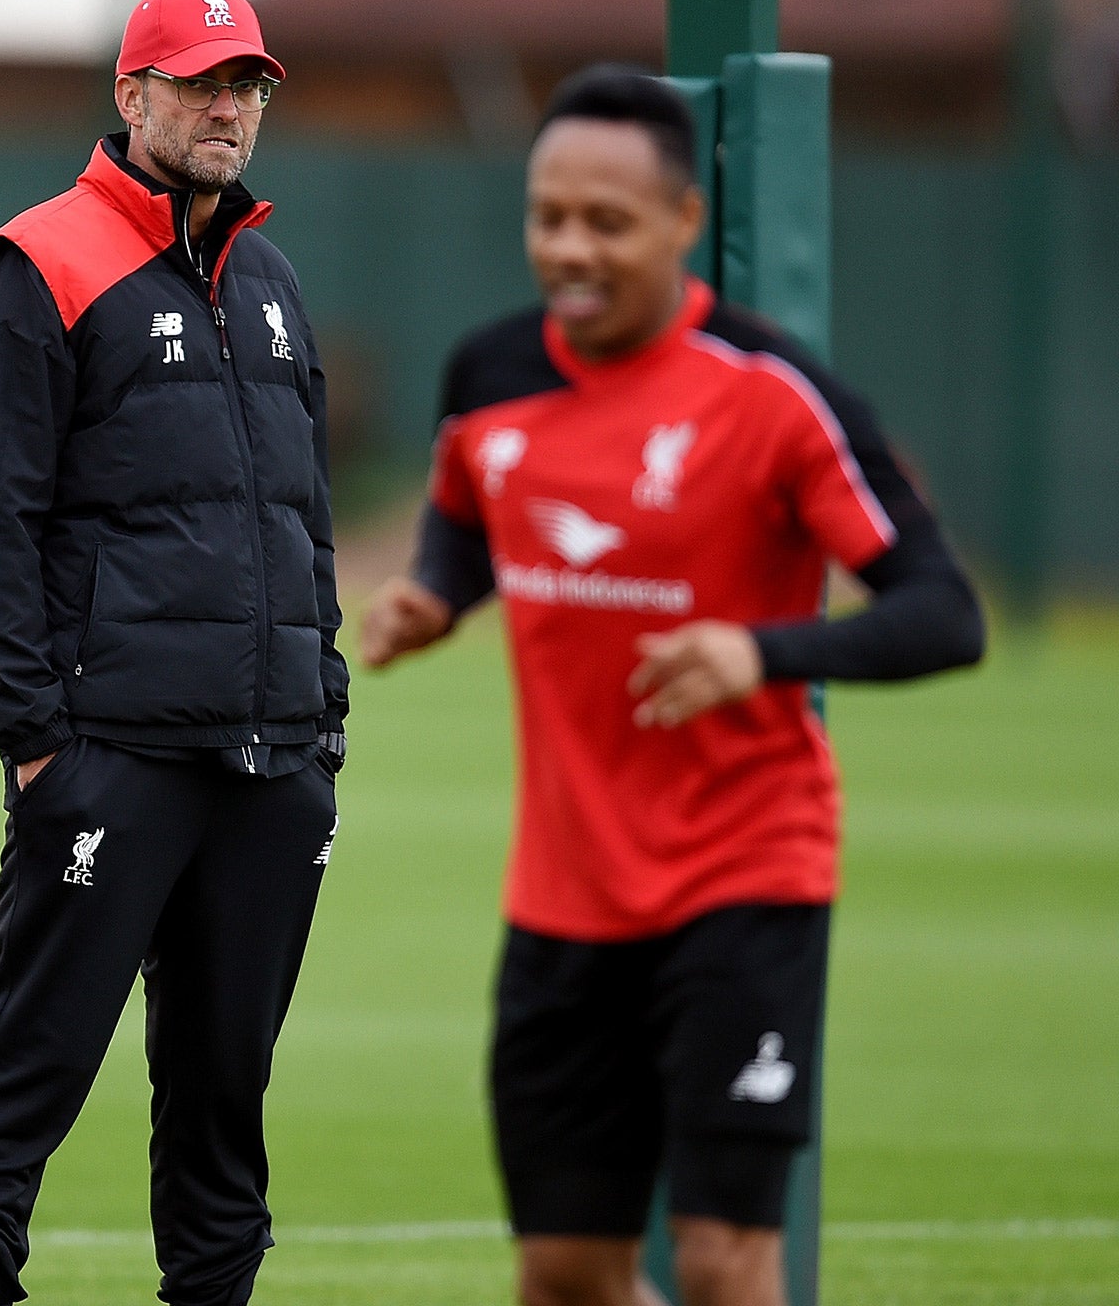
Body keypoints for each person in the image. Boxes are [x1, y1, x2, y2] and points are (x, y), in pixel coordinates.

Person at [361, 66, 985, 1306]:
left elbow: (942, 612)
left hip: (742, 877)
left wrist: (761, 650)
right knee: (565, 1272)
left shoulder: (774, 396)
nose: (568, 249)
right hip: (561, 892)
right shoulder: (486, 376)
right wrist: (437, 598)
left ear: (683, 222)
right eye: (547, 218)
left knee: (718, 1257)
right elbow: (466, 524)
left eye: (607, 221)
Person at [0, 0, 348, 1306]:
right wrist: (37, 743)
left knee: (228, 1092)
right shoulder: (39, 260)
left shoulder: (272, 275)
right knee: (32, 1062)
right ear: (133, 96)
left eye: (249, 86)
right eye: (203, 82)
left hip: (271, 763)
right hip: (112, 755)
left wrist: (321, 719)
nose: (231, 107)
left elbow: (305, 514)